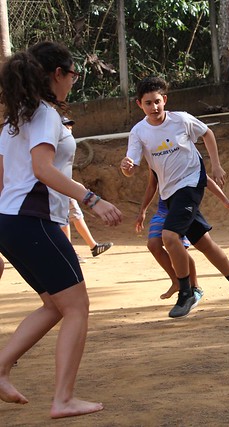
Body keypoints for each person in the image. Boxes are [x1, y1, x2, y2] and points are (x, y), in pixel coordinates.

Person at [0, 41, 123, 418]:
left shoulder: (14, 119)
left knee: (55, 305)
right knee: (77, 307)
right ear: (57, 74)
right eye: (73, 75)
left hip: (11, 222)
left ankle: (1, 367)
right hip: (31, 220)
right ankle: (63, 398)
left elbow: (4, 178)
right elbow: (42, 169)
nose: (73, 82)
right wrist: (92, 199)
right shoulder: (45, 115)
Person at [120, 76, 229, 318]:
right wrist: (126, 167)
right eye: (148, 103)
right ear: (140, 104)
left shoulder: (180, 119)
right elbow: (131, 165)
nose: (154, 107)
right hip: (169, 192)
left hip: (191, 183)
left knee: (169, 237)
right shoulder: (138, 132)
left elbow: (208, 133)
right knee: (204, 243)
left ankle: (187, 291)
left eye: (158, 101)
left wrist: (216, 165)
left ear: (165, 100)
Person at [136, 167, 229, 301]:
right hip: (163, 211)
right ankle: (176, 282)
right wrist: (142, 211)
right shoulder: (155, 159)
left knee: (181, 248)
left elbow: (205, 179)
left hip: (181, 208)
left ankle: (194, 286)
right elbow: (152, 185)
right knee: (153, 244)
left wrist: (224, 200)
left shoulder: (183, 157)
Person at [59, 117, 113, 261]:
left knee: (75, 214)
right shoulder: (58, 145)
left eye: (70, 126)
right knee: (66, 217)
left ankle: (92, 246)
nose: (69, 129)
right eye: (66, 126)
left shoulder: (66, 143)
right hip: (60, 186)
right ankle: (69, 252)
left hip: (65, 184)